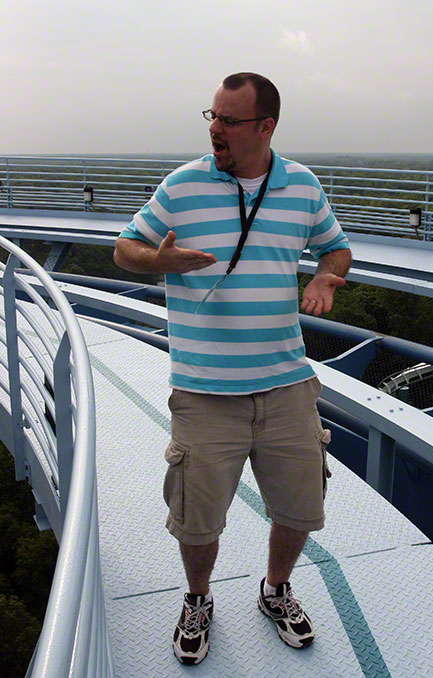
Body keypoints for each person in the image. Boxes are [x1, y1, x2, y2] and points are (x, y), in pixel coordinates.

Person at [114, 72, 352, 666]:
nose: (215, 128)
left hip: (287, 383)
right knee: (196, 518)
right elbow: (124, 246)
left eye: (228, 119)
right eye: (211, 116)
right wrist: (156, 259)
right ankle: (198, 599)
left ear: (265, 127)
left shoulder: (301, 185)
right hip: (205, 389)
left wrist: (326, 275)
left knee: (299, 506)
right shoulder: (183, 185)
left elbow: (336, 246)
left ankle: (275, 589)